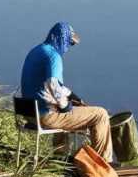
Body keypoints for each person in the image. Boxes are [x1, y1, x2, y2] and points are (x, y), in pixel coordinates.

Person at [20, 22, 113, 162]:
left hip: (29, 113)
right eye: (70, 43)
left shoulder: (37, 50)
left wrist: (72, 97)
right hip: (45, 116)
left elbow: (51, 84)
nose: (69, 47)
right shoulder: (54, 57)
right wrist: (66, 106)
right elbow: (53, 85)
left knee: (65, 110)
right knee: (101, 115)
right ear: (62, 39)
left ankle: (59, 159)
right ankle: (103, 164)